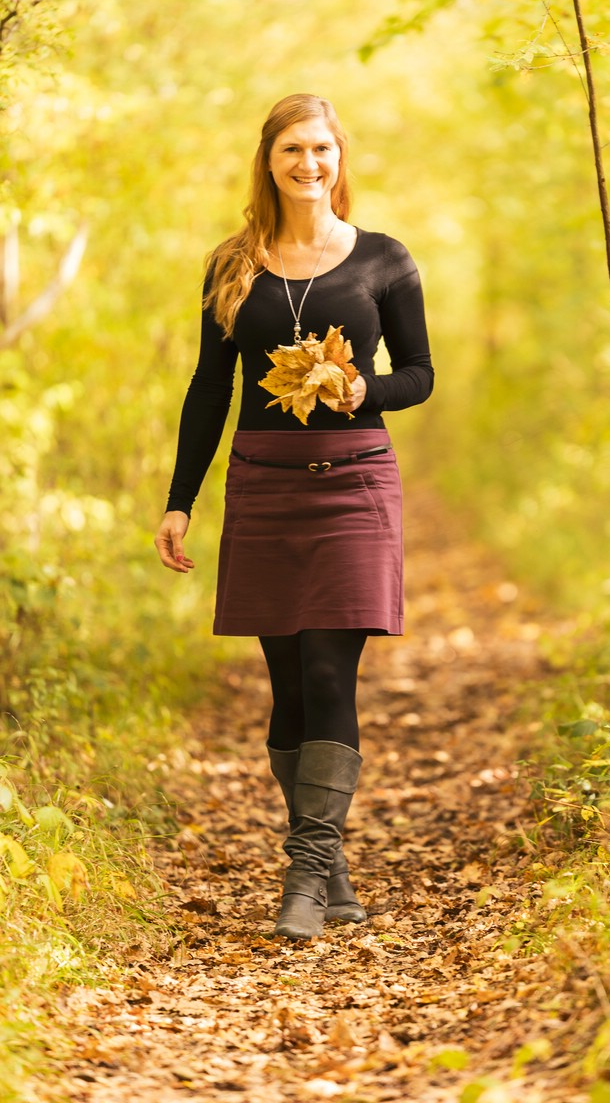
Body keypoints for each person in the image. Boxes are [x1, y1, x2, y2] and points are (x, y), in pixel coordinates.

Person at [154, 93, 434, 941]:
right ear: (269, 161)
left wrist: (364, 389)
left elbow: (419, 374)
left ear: (339, 158)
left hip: (356, 484)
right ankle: (329, 863)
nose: (309, 164)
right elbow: (211, 388)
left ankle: (305, 874)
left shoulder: (384, 259)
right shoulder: (231, 265)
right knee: (286, 686)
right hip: (264, 485)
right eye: (292, 151)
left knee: (327, 673)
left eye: (322, 149)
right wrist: (179, 500)